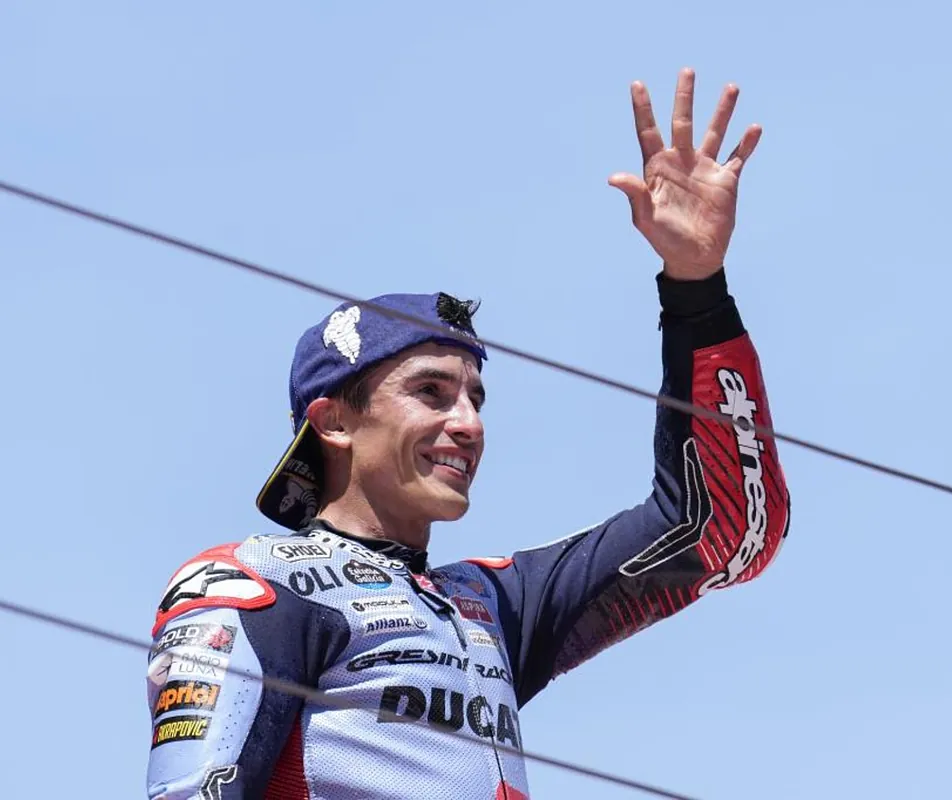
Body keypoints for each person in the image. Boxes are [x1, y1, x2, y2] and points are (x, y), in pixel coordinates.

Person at [144, 67, 791, 800]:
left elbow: (723, 530)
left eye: (475, 398)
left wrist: (697, 287)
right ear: (334, 422)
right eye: (431, 393)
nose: (469, 423)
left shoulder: (491, 602)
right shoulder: (256, 581)